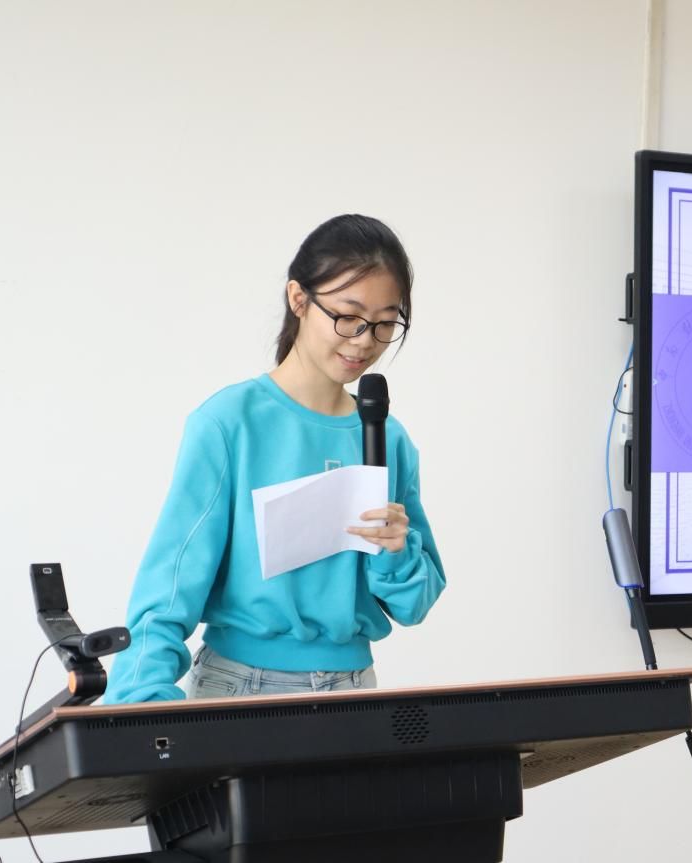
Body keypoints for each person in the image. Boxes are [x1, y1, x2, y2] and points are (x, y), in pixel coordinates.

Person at [105, 215, 445, 703]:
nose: (364, 339)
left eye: (385, 323)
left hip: (354, 688)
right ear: (298, 299)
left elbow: (415, 604)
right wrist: (140, 700)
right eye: (348, 316)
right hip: (240, 687)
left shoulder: (388, 438)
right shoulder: (229, 423)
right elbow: (171, 583)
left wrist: (397, 551)